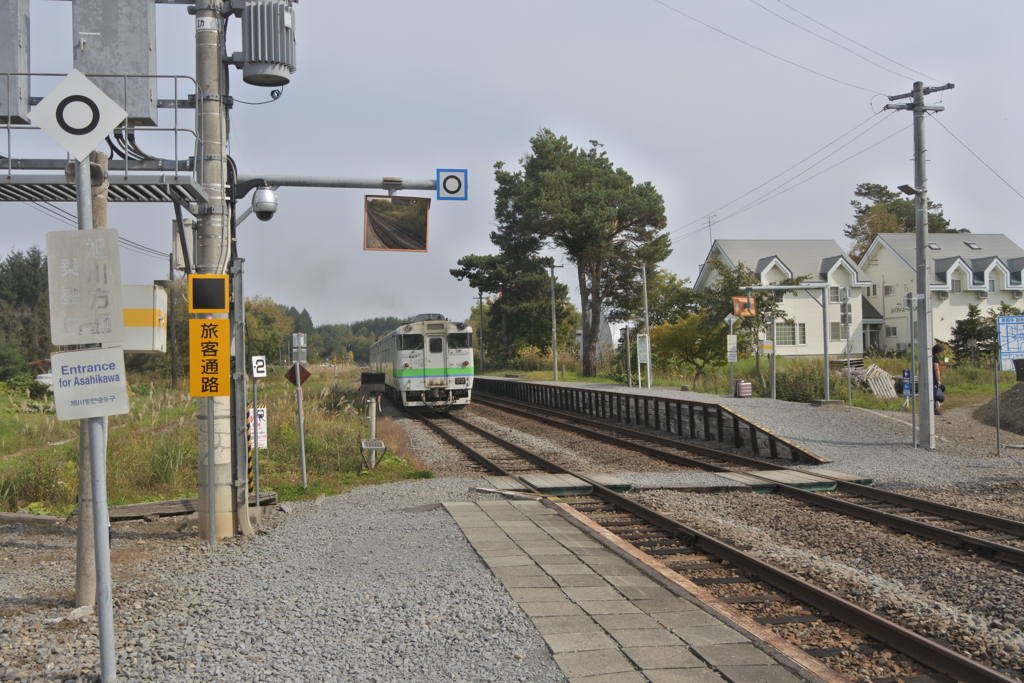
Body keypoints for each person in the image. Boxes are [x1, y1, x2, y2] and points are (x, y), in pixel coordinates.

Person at [932, 343, 945, 416]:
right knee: (934, 393)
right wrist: (939, 380)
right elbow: (936, 369)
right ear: (938, 351)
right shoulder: (935, 358)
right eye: (941, 351)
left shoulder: (929, 356)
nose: (941, 352)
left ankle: (931, 408)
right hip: (933, 377)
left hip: (927, 377)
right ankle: (933, 409)